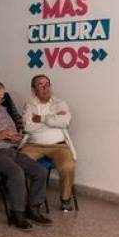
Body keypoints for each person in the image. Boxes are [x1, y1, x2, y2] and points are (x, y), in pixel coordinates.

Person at [0, 80, 51, 230]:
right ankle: (17, 213)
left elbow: (11, 130)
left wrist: (16, 138)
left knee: (40, 171)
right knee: (16, 172)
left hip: (9, 150)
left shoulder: (2, 111)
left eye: (1, 98)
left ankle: (33, 208)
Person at [20, 75, 77, 212]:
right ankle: (31, 201)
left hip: (58, 145)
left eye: (47, 84)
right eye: (40, 85)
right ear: (34, 89)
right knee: (19, 164)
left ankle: (65, 199)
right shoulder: (29, 104)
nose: (45, 87)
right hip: (34, 145)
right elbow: (28, 127)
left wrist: (42, 119)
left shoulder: (60, 103)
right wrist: (53, 120)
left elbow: (65, 122)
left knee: (68, 166)